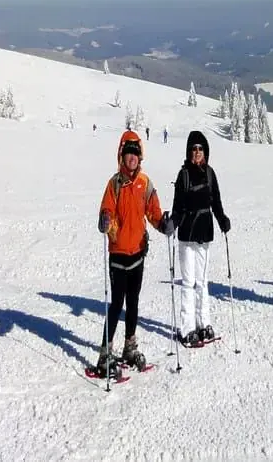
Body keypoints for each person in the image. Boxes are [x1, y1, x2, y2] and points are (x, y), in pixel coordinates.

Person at [94, 130, 174, 374]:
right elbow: (106, 209)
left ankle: (129, 346)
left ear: (140, 158)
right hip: (119, 253)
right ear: (121, 156)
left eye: (135, 155)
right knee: (117, 303)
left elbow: (153, 212)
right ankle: (104, 354)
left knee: (134, 302)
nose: (132, 159)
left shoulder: (145, 183)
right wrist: (106, 221)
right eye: (128, 154)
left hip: (138, 252)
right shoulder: (114, 183)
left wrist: (163, 224)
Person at [171, 131, 231, 347]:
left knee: (202, 282)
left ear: (205, 152)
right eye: (194, 149)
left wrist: (222, 219)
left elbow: (216, 202)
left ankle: (203, 324)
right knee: (188, 282)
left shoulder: (209, 174)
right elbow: (177, 207)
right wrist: (172, 223)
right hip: (187, 235)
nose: (197, 152)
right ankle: (187, 329)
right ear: (189, 152)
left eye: (200, 148)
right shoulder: (184, 175)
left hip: (204, 233)